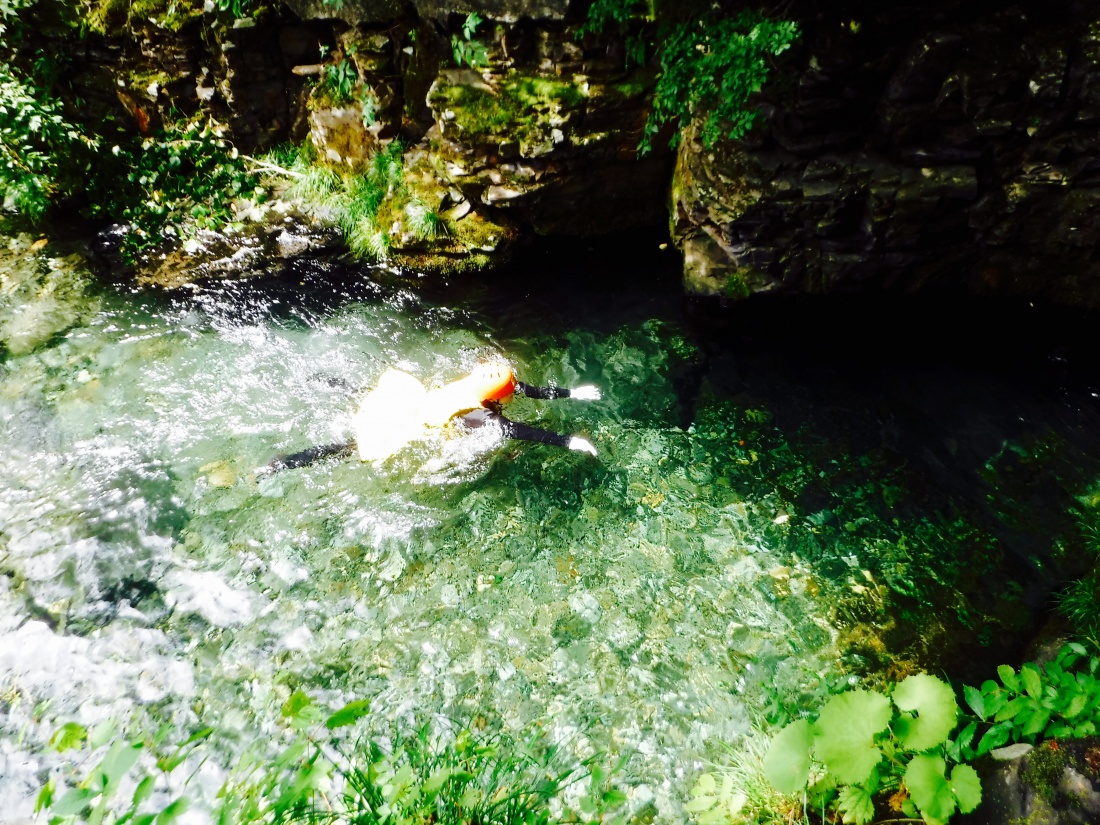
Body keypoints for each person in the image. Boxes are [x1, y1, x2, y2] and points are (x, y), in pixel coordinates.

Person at [259, 360, 600, 474]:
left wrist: (573, 394)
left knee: (368, 394)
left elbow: (529, 390)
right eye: (513, 388)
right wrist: (569, 441)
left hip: (416, 398)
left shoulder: (480, 384)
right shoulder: (483, 416)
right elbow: (521, 431)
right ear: (497, 398)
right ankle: (288, 462)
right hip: (418, 424)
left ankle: (324, 381)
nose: (518, 389)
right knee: (352, 447)